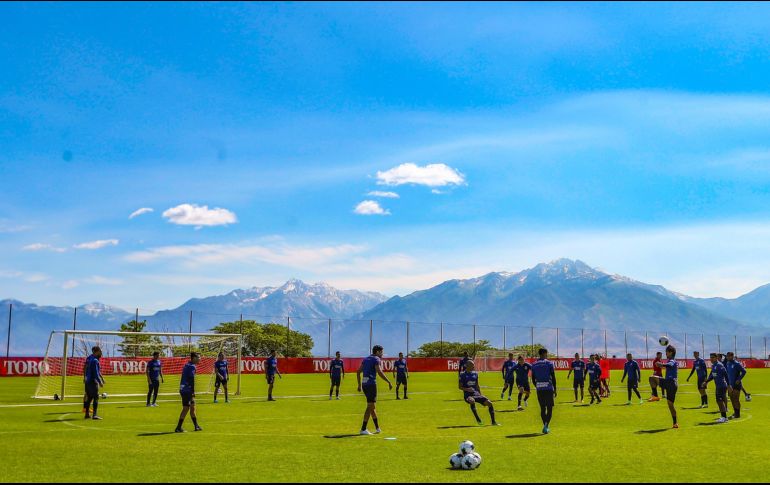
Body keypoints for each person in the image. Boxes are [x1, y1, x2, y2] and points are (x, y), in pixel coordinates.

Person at [357, 345, 393, 435]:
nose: (382, 354)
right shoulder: (376, 359)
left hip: (364, 384)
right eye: (381, 352)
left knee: (372, 406)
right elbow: (379, 371)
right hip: (371, 384)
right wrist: (388, 381)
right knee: (370, 406)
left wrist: (359, 385)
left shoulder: (366, 359)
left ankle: (377, 428)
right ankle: (363, 429)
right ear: (377, 352)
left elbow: (358, 371)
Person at [458, 360, 499, 426]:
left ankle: (493, 422)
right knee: (472, 401)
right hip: (468, 395)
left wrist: (480, 394)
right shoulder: (462, 375)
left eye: (473, 365)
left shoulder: (475, 374)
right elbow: (460, 387)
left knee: (489, 403)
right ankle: (478, 420)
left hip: (476, 394)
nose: (473, 366)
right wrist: (467, 389)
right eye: (472, 365)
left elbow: (477, 385)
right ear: (467, 366)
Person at [649, 345, 679, 429]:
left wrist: (661, 364)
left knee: (651, 378)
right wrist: (662, 365)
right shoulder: (671, 360)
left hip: (670, 382)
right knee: (670, 405)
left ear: (671, 352)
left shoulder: (672, 360)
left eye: (667, 352)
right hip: (672, 384)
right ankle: (675, 423)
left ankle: (655, 396)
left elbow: (669, 365)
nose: (666, 353)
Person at [531, 348, 557, 434]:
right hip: (548, 388)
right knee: (549, 408)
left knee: (542, 408)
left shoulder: (534, 364)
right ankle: (546, 426)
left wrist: (537, 386)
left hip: (539, 388)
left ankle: (545, 426)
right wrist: (555, 389)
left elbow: (533, 379)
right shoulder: (549, 363)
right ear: (544, 354)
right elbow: (553, 377)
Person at [175, 352, 202, 432]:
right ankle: (178, 428)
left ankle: (196, 426)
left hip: (184, 389)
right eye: (198, 357)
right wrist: (193, 391)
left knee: (192, 407)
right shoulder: (192, 367)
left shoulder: (187, 365)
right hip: (187, 390)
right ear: (194, 358)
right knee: (186, 408)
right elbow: (191, 379)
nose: (199, 359)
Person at [702, 353, 729, 423]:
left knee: (719, 401)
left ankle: (724, 417)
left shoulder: (719, 365)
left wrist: (729, 385)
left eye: (713, 357)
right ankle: (724, 417)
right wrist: (706, 381)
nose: (711, 359)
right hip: (718, 386)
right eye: (710, 357)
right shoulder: (713, 366)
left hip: (722, 386)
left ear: (716, 358)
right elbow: (712, 376)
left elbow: (726, 374)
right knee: (719, 401)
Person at [83, 346, 104, 420]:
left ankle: (87, 414)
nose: (101, 353)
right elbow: (95, 373)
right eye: (100, 351)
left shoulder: (90, 359)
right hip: (93, 381)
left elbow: (86, 368)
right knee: (96, 397)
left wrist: (85, 377)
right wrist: (100, 381)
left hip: (88, 381)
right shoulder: (95, 360)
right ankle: (95, 415)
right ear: (96, 352)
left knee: (89, 398)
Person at [724, 352, 747, 419]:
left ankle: (738, 414)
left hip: (736, 385)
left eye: (729, 356)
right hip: (730, 384)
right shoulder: (728, 363)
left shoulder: (736, 364)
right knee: (731, 399)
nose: (727, 357)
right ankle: (735, 412)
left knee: (736, 399)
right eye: (727, 356)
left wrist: (739, 379)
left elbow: (744, 371)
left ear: (732, 356)